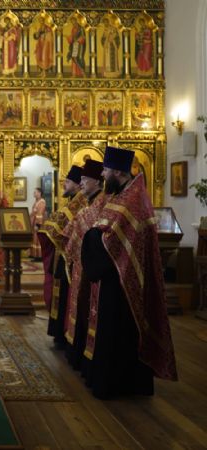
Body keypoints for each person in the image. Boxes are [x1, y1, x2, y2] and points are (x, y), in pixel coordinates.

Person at [80, 146, 177, 399]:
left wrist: (93, 237)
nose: (103, 174)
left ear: (119, 172)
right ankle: (109, 380)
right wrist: (94, 236)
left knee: (122, 331)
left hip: (125, 278)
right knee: (111, 330)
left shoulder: (134, 200)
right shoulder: (121, 195)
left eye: (106, 170)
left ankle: (121, 384)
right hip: (113, 274)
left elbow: (113, 237)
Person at [61, 160, 106, 369]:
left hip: (92, 267)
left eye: (85, 180)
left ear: (96, 181)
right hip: (82, 264)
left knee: (87, 309)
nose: (81, 184)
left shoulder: (102, 203)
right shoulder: (89, 203)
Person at [37, 165, 85, 345]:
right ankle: (60, 333)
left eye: (68, 182)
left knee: (66, 297)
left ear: (79, 184)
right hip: (62, 256)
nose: (64, 184)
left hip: (71, 259)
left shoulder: (80, 204)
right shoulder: (73, 201)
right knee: (60, 294)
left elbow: (57, 223)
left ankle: (65, 335)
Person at [30, 187, 47, 260]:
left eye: (35, 192)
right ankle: (34, 255)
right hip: (34, 223)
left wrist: (37, 225)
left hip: (39, 224)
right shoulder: (36, 202)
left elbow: (40, 214)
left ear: (39, 193)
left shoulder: (42, 202)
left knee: (38, 240)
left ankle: (39, 256)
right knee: (35, 239)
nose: (34, 194)